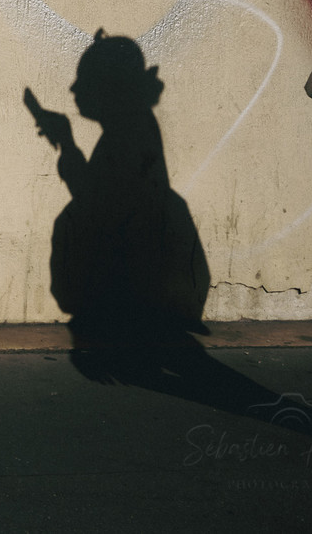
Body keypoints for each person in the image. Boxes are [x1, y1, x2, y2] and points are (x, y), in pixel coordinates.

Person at [25, 32, 209, 349]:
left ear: (109, 86)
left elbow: (99, 207)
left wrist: (67, 143)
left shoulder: (127, 135)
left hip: (132, 301)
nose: (74, 88)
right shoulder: (131, 127)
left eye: (84, 79)